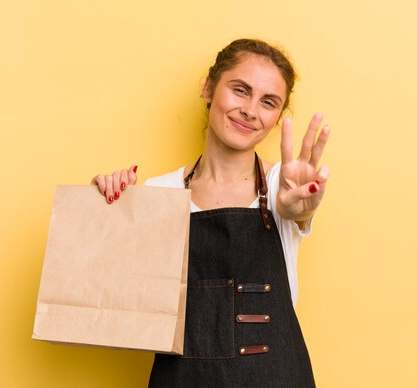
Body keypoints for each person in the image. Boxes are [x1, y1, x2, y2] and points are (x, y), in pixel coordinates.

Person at [91, 38, 329, 387]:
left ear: (277, 117)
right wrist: (108, 208)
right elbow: (116, 298)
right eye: (240, 90)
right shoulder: (161, 193)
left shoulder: (285, 185)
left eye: (268, 102)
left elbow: (296, 211)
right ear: (208, 88)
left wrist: (299, 209)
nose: (250, 110)